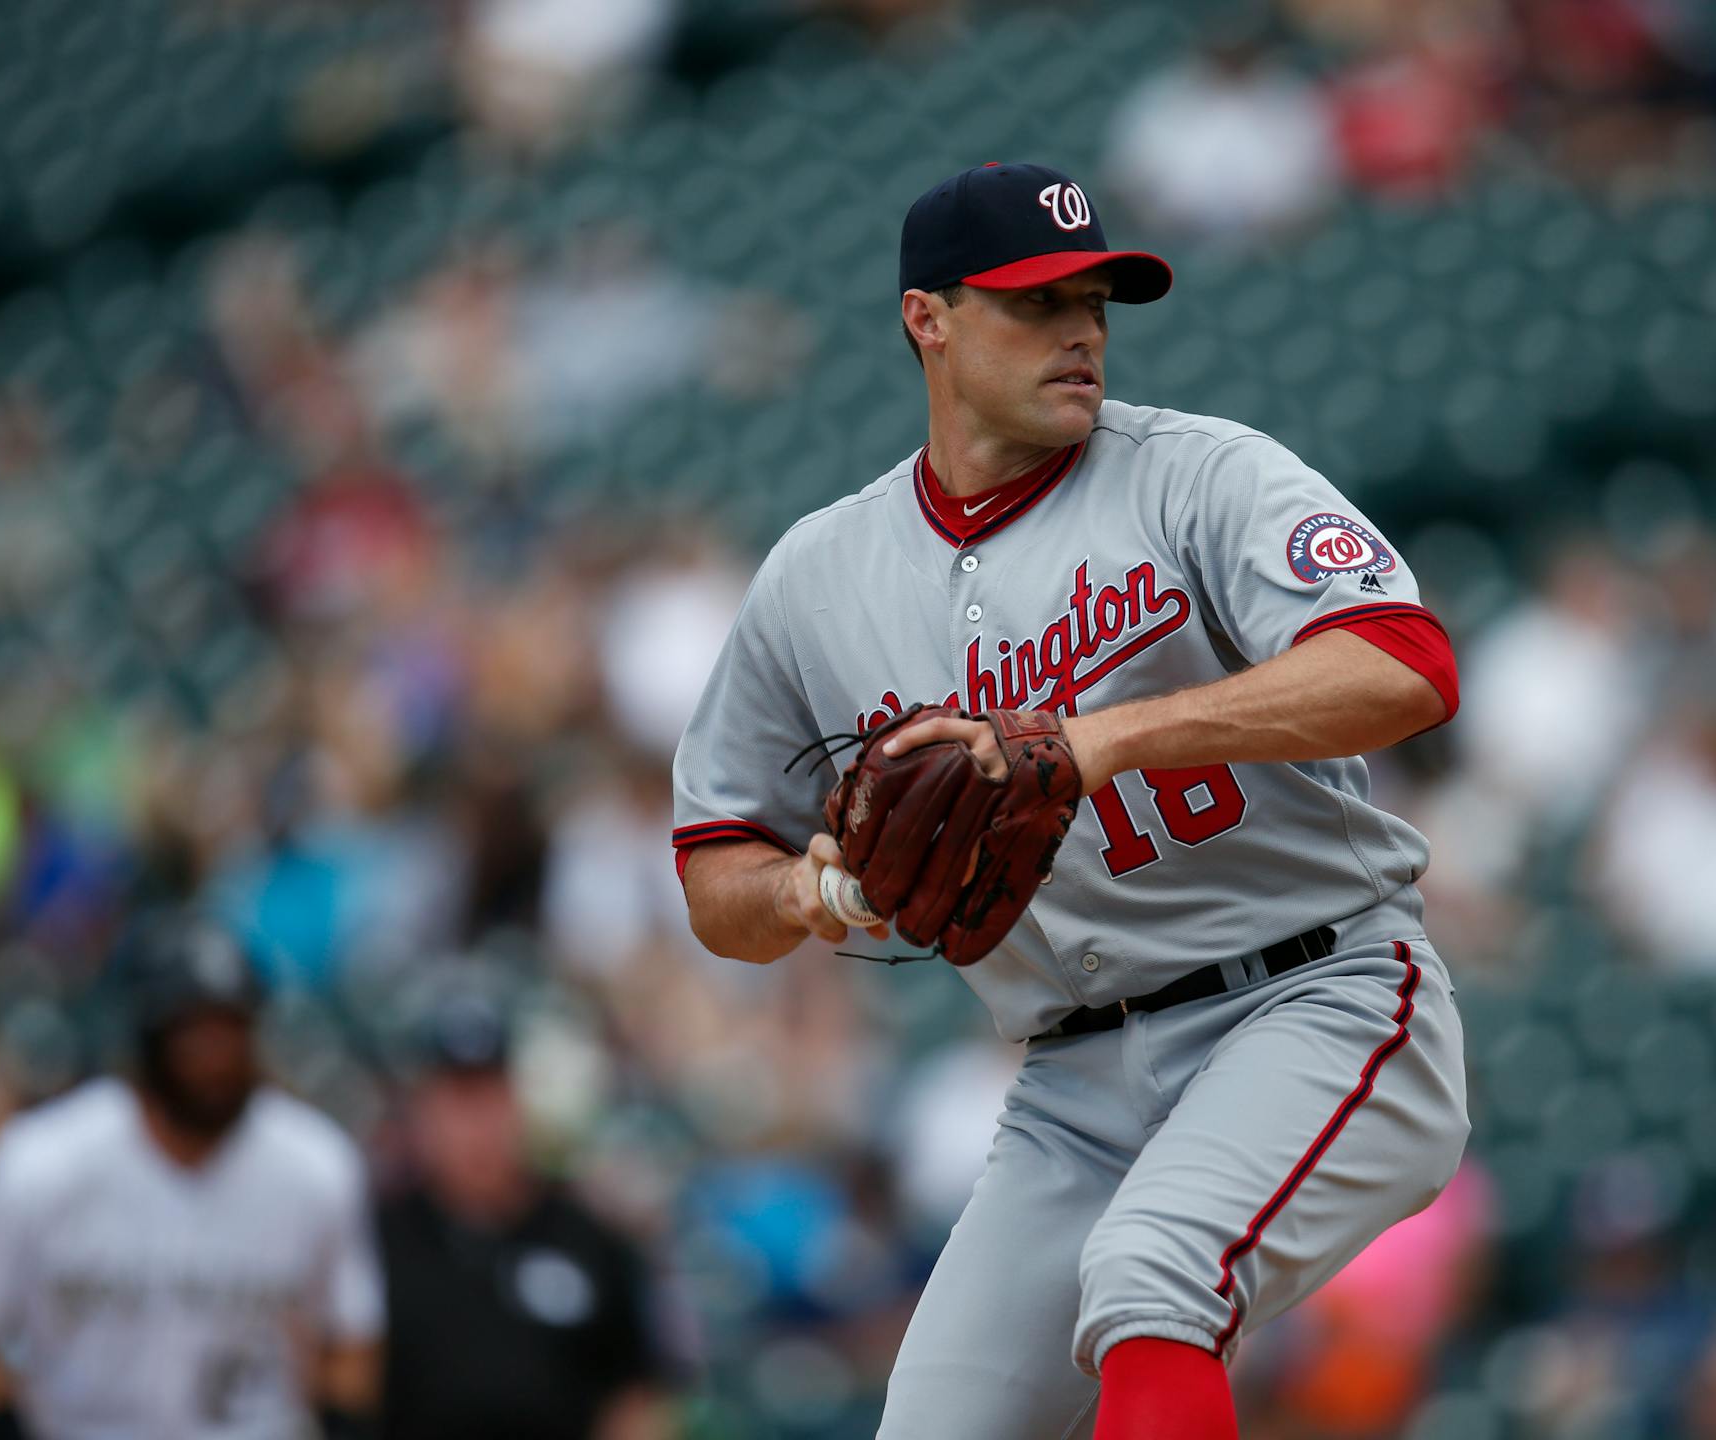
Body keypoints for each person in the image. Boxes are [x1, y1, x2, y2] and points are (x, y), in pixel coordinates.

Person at [672, 161, 1471, 1439]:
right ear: (926, 320)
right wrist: (816, 889)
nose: (1081, 330)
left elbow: (1406, 664)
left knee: (1155, 1275)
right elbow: (716, 868)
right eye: (1034, 304)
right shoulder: (818, 579)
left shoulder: (1200, 476)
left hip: (1315, 995)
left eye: (1093, 299)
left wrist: (1101, 741)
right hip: (1070, 1077)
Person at [0, 914, 382, 1439]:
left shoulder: (314, 1164)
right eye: (195, 1036)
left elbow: (350, 1340)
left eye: (232, 1030)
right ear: (146, 1040)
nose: (217, 1058)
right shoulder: (45, 1161)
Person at [374, 984, 672, 1440]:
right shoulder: (379, 1238)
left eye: (492, 1096)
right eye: (459, 1099)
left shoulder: (588, 1238)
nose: (478, 1126)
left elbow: (635, 1395)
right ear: (422, 1112)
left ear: (519, 1102)